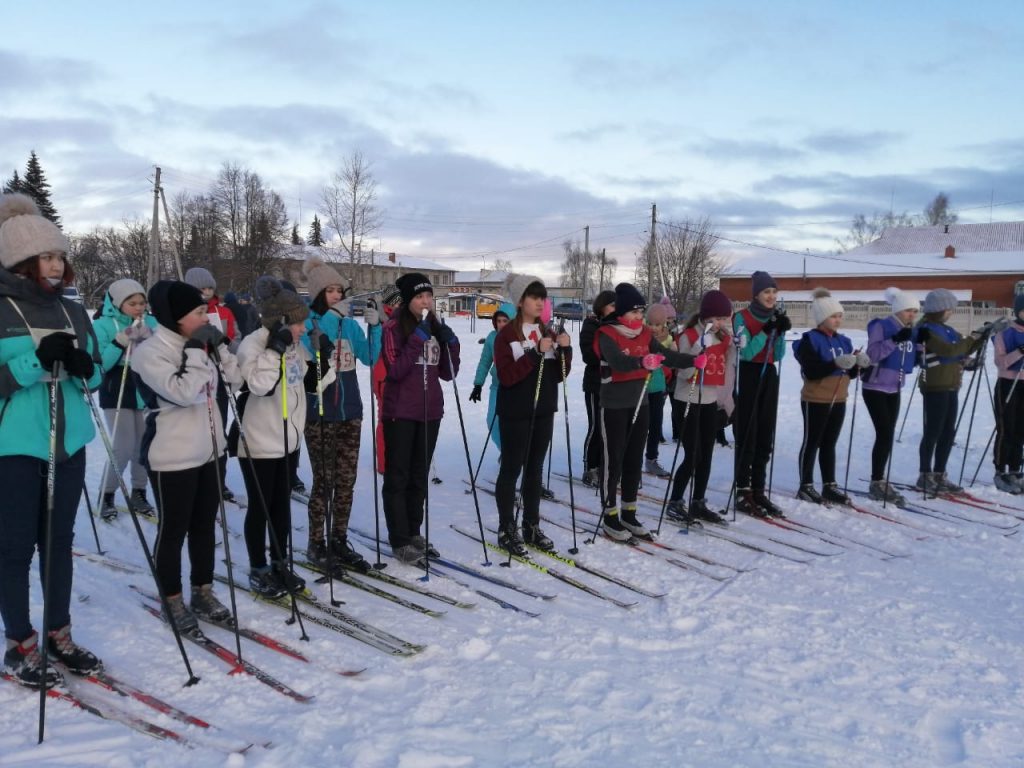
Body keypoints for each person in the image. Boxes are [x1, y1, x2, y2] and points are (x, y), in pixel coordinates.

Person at [0, 193, 103, 687]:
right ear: (21, 260)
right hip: (14, 446)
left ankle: (59, 632)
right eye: (46, 256)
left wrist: (86, 368)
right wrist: (33, 361)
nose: (57, 265)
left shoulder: (72, 310)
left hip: (68, 441)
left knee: (58, 543)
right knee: (16, 548)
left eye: (60, 255)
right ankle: (20, 643)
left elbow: (98, 372)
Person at [132, 280, 242, 633]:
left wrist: (222, 349)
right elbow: (182, 392)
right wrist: (197, 350)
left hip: (210, 451)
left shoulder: (201, 344)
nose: (206, 316)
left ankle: (203, 591)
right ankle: (172, 597)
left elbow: (235, 382)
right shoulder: (150, 351)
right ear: (176, 317)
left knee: (203, 527)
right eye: (198, 312)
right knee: (174, 529)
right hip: (172, 456)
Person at [235, 277, 332, 597]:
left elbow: (310, 384)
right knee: (261, 508)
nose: (305, 328)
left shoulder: (294, 346)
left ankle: (279, 562)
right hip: (260, 442)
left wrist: (323, 358)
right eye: (300, 323)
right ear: (283, 321)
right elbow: (261, 387)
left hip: (289, 440)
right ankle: (258, 567)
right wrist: (274, 348)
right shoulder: (254, 343)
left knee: (281, 507)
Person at [597, 283, 701, 541]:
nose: (639, 318)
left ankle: (629, 513)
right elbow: (618, 362)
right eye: (634, 313)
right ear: (621, 313)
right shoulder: (606, 333)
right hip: (613, 405)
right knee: (614, 462)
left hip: (639, 403)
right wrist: (641, 362)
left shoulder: (644, 334)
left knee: (633, 459)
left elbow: (664, 355)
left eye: (641, 313)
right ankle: (610, 516)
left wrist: (692, 361)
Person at [300, 255, 380, 572]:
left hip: (350, 411)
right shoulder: (309, 322)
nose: (337, 295)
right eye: (331, 291)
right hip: (320, 412)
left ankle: (338, 538)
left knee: (346, 481)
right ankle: (316, 543)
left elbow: (370, 357)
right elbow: (318, 347)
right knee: (324, 481)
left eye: (339, 291)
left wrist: (374, 327)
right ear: (319, 294)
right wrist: (333, 316)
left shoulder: (349, 324)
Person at [381, 273, 460, 563]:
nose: (426, 302)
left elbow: (448, 373)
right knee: (398, 476)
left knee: (419, 475)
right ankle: (399, 538)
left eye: (429, 296)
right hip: (400, 412)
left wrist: (450, 342)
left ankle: (414, 531)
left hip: (430, 411)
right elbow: (395, 371)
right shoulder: (392, 328)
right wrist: (417, 338)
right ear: (407, 300)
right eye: (419, 297)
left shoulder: (434, 327)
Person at [491, 275, 570, 555]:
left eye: (542, 298)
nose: (540, 302)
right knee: (511, 468)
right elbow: (508, 376)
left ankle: (531, 525)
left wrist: (565, 349)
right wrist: (536, 352)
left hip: (544, 410)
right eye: (534, 297)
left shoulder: (546, 331)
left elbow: (559, 376)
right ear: (520, 301)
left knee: (535, 470)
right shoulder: (507, 336)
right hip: (515, 411)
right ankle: (506, 527)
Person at [666, 289, 735, 524]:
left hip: (709, 401)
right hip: (687, 400)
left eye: (723, 319)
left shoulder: (721, 337)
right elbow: (683, 371)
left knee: (706, 454)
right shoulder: (689, 336)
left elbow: (727, 368)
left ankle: (698, 501)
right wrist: (698, 351)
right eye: (715, 319)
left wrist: (738, 346)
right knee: (692, 454)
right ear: (705, 317)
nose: (718, 324)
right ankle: (675, 501)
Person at [792, 289, 867, 505]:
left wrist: (858, 364)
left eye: (840, 316)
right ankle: (805, 485)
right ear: (822, 318)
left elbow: (850, 372)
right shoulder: (809, 340)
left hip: (839, 398)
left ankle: (829, 485)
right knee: (812, 441)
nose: (838, 320)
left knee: (829, 443)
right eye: (833, 316)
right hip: (815, 399)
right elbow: (811, 371)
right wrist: (835, 364)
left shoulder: (844, 341)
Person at [93, 278, 158, 519]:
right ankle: (106, 494)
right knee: (122, 445)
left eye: (142, 302)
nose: (139, 307)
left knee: (143, 445)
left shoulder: (151, 322)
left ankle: (138, 492)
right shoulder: (102, 325)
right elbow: (101, 364)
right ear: (118, 303)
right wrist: (120, 342)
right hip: (116, 386)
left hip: (143, 386)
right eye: (132, 303)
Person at [915, 289, 990, 494]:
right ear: (939, 309)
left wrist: (982, 336)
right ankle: (925, 475)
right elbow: (949, 350)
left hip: (951, 384)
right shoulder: (925, 329)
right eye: (949, 308)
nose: (951, 312)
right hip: (934, 384)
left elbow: (963, 349)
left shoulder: (946, 329)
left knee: (948, 431)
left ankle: (940, 473)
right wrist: (971, 338)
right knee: (933, 431)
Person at [732, 270, 791, 516]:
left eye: (774, 292)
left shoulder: (774, 316)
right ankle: (743, 490)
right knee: (749, 433)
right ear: (756, 294)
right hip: (748, 374)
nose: (771, 296)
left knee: (765, 433)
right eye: (767, 291)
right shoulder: (741, 317)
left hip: (769, 374)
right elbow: (746, 352)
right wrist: (767, 330)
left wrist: (780, 332)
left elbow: (778, 355)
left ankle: (758, 489)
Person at [861, 287, 921, 506]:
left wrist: (921, 347)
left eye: (915, 311)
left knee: (887, 434)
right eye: (908, 311)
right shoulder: (881, 325)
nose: (912, 315)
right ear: (897, 310)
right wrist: (894, 340)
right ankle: (877, 481)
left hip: (894, 387)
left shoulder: (910, 330)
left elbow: (911, 360)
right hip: (875, 385)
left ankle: (880, 478)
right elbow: (873, 354)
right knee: (884, 433)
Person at [184, 267, 239, 502]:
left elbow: (236, 338)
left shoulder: (224, 312)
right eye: (200, 289)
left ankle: (219, 480)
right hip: (195, 370)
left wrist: (227, 343)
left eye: (209, 288)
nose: (206, 292)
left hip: (218, 370)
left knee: (219, 428)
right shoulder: (186, 312)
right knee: (197, 429)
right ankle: (195, 478)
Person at [579, 290, 615, 488]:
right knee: (596, 426)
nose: (616, 310)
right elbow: (589, 356)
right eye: (612, 306)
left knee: (609, 428)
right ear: (602, 307)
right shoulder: (591, 325)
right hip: (595, 384)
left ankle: (605, 465)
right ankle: (590, 466)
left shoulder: (617, 326)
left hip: (613, 385)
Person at [469, 303, 513, 451]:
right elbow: (484, 362)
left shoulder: (520, 338)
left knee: (514, 424)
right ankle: (506, 453)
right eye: (498, 321)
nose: (501, 324)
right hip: (497, 387)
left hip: (516, 388)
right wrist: (478, 384)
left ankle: (518, 454)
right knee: (492, 422)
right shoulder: (492, 337)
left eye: (505, 321)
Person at [992, 293, 1024, 493]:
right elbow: (1000, 362)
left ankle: (1015, 469)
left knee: (1021, 429)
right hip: (1008, 383)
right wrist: (1019, 352)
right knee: (1007, 428)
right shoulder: (1006, 333)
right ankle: (1001, 469)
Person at [643, 302, 674, 478]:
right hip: (642, 387)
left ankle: (651, 460)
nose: (653, 328)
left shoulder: (669, 339)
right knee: (639, 427)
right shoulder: (641, 337)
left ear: (664, 325)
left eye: (657, 324)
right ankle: (627, 460)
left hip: (658, 387)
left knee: (655, 425)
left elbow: (672, 360)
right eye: (650, 323)